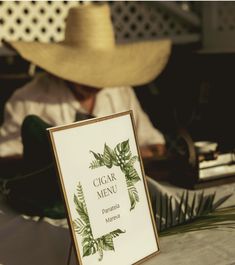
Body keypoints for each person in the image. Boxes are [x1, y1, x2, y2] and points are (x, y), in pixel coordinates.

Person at [0, 3, 171, 164]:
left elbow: (154, 144)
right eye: (86, 74)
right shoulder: (28, 100)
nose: (94, 83)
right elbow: (6, 156)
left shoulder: (120, 91)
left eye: (102, 74)